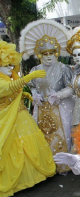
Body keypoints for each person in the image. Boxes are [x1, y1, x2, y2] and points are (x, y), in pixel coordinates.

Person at [0, 41, 56, 196]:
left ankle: (36, 176)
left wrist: (23, 94)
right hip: (8, 120)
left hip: (21, 116)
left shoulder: (7, 77)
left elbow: (12, 89)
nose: (11, 68)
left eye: (12, 65)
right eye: (7, 65)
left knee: (29, 142)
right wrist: (30, 77)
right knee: (13, 146)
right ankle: (19, 180)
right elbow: (6, 89)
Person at [19, 19, 75, 174]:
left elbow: (71, 87)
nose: (49, 56)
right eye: (45, 54)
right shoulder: (35, 69)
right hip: (41, 109)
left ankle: (63, 165)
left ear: (56, 53)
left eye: (51, 53)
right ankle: (46, 166)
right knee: (43, 135)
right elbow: (30, 85)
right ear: (40, 55)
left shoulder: (64, 68)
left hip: (61, 108)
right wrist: (35, 95)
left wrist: (58, 95)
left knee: (62, 135)